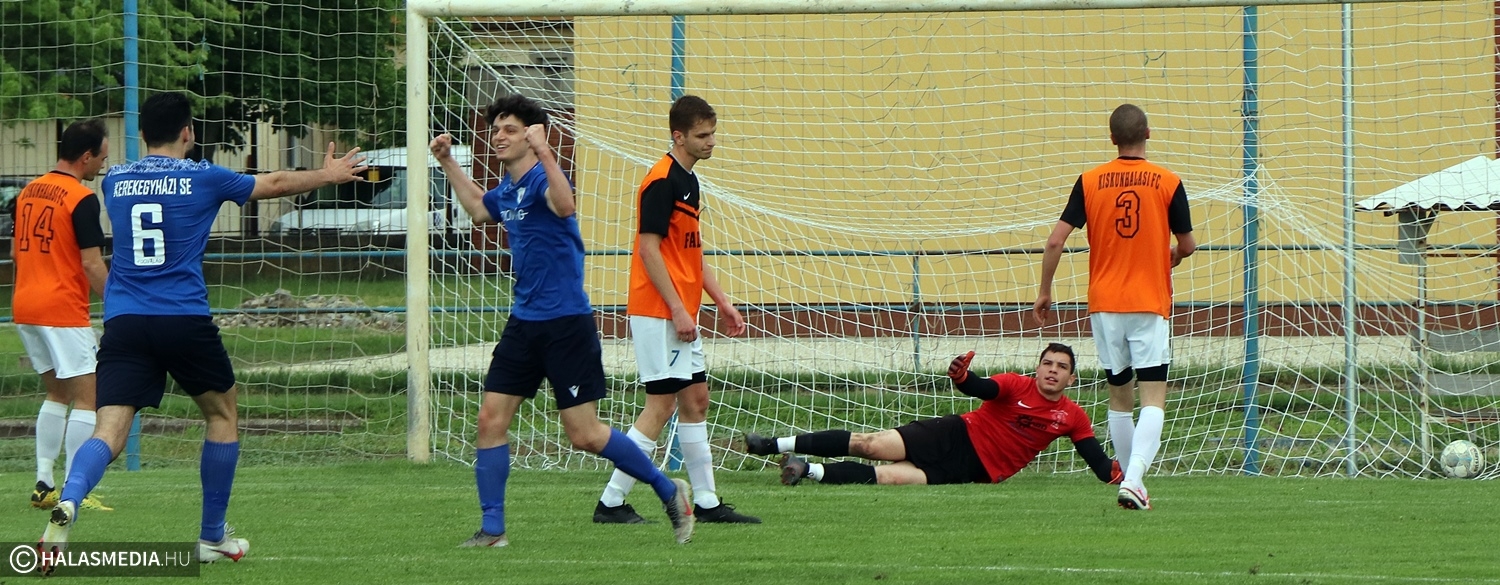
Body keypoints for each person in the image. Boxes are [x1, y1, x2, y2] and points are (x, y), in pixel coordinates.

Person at [37, 91, 369, 569]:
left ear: (142, 134)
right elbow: (273, 182)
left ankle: (69, 499)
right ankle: (212, 535)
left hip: (125, 321)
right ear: (188, 132)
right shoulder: (204, 176)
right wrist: (328, 174)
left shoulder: (115, 180)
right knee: (221, 413)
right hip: (182, 317)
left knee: (109, 429)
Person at [429, 94, 694, 548]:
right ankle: (492, 530)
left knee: (584, 434)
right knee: (490, 420)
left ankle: (668, 489)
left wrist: (547, 151)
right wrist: (448, 161)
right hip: (523, 323)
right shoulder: (509, 188)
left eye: (510, 130)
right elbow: (478, 208)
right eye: (495, 130)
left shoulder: (542, 179)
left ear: (532, 136)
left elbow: (566, 204)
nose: (499, 137)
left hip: (566, 325)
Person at [592, 95, 758, 525]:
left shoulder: (691, 180)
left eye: (713, 133)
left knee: (696, 400)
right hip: (658, 312)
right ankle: (611, 502)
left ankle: (707, 502)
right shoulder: (661, 180)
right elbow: (648, 250)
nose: (711, 142)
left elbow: (691, 252)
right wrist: (678, 310)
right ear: (678, 136)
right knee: (660, 406)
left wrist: (721, 301)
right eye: (703, 135)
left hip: (680, 312)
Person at [1031, 103, 1196, 511]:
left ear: (1112, 139)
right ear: (1148, 134)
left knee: (1119, 398)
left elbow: (1055, 240)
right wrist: (1173, 255)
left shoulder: (1089, 181)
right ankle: (1134, 481)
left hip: (1104, 305)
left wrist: (1045, 290)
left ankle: (1129, 482)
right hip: (1148, 302)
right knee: (1153, 397)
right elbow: (1189, 245)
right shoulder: (1168, 181)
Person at [744, 344, 1121, 487]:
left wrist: (1129, 475)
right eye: (1047, 363)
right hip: (954, 435)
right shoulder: (1014, 384)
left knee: (890, 478)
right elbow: (981, 388)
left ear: (1072, 378)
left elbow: (1100, 465)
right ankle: (772, 445)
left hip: (974, 471)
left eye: (1061, 366)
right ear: (1037, 368)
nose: (1053, 370)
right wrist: (962, 377)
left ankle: (804, 469)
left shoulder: (1073, 417)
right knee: (870, 445)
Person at [14, 119, 113, 513]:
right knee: (90, 399)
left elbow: (18, 252)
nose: (103, 165)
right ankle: (76, 490)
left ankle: (44, 483)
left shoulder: (28, 191)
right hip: (62, 309)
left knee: (56, 393)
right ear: (86, 156)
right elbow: (91, 264)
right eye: (102, 158)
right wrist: (117, 302)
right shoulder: (80, 197)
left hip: (25, 305)